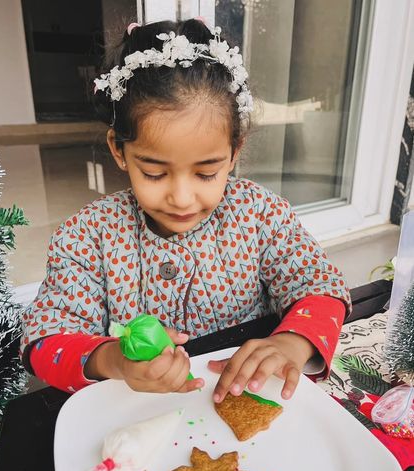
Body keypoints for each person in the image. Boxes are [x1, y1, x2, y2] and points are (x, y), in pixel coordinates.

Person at [21, 18, 351, 403]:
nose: (181, 197)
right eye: (155, 172)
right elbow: (44, 342)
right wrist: (112, 361)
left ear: (234, 152)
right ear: (118, 150)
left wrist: (292, 343)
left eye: (206, 173)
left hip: (245, 405)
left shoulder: (261, 215)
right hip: (136, 416)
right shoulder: (88, 236)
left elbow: (320, 285)